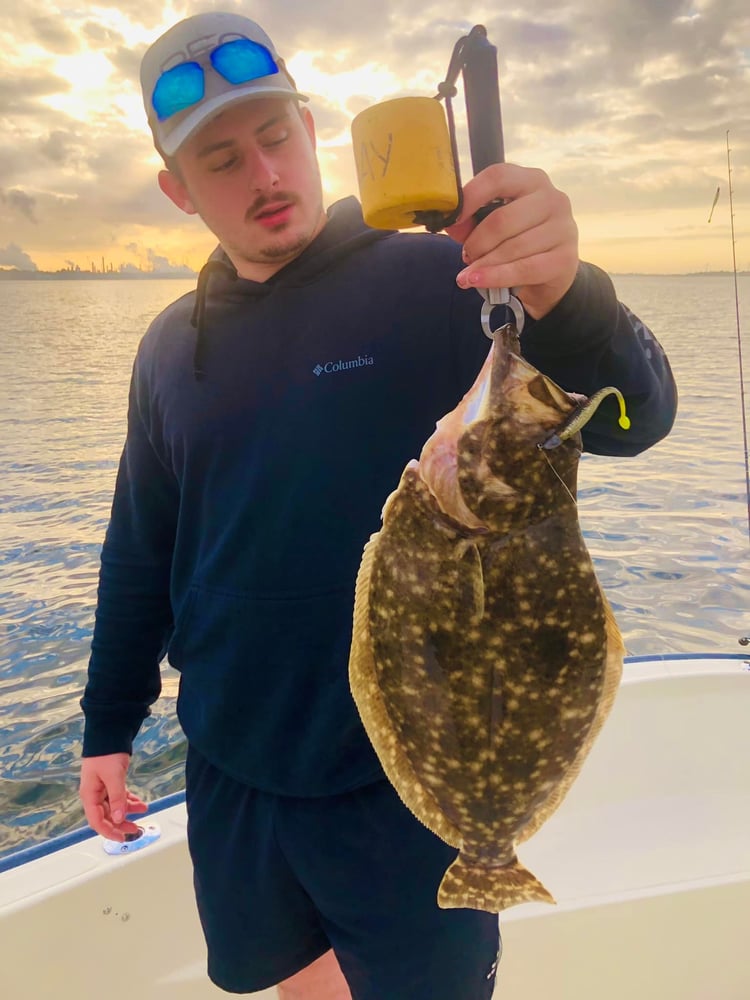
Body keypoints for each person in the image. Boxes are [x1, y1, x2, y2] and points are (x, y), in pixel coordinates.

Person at [79, 11, 677, 1000]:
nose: (265, 176)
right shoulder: (165, 351)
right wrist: (110, 719)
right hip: (234, 767)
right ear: (176, 191)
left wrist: (568, 294)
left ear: (310, 131)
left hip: (408, 784)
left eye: (275, 138)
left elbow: (631, 416)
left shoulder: (444, 275)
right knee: (297, 987)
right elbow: (142, 548)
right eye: (223, 160)